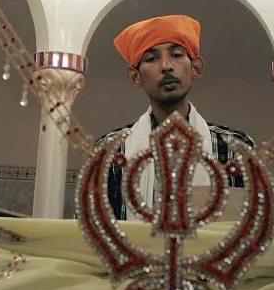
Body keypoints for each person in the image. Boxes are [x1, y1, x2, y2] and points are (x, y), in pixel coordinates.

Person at [96, 14, 256, 220]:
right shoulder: (110, 151)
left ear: (195, 67)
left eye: (177, 55)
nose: (166, 65)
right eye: (151, 58)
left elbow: (253, 228)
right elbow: (92, 232)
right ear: (135, 77)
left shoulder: (235, 148)